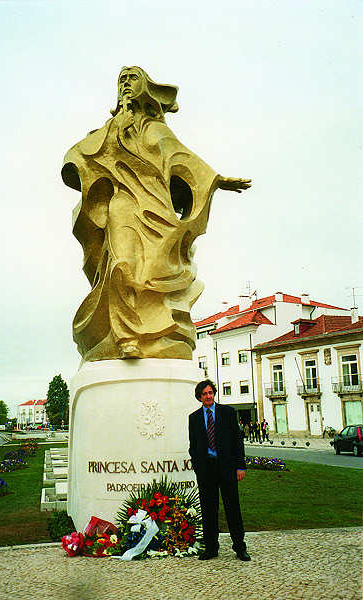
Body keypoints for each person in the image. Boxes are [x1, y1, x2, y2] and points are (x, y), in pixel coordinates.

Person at [62, 66, 251, 362]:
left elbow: (187, 162)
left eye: (132, 78)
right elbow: (79, 158)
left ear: (145, 88)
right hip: (123, 204)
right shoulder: (106, 132)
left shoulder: (157, 131)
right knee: (121, 265)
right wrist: (109, 133)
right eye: (121, 79)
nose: (125, 83)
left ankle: (158, 333)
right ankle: (126, 338)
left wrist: (219, 180)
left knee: (153, 275)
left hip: (157, 209)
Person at [188, 379, 250, 561]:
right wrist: (198, 466)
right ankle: (211, 548)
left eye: (210, 393)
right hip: (206, 470)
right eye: (204, 394)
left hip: (227, 469)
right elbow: (194, 446)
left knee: (233, 509)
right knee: (208, 510)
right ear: (199, 397)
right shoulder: (194, 418)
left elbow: (238, 441)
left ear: (214, 394)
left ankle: (240, 547)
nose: (208, 396)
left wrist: (240, 466)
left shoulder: (228, 413)